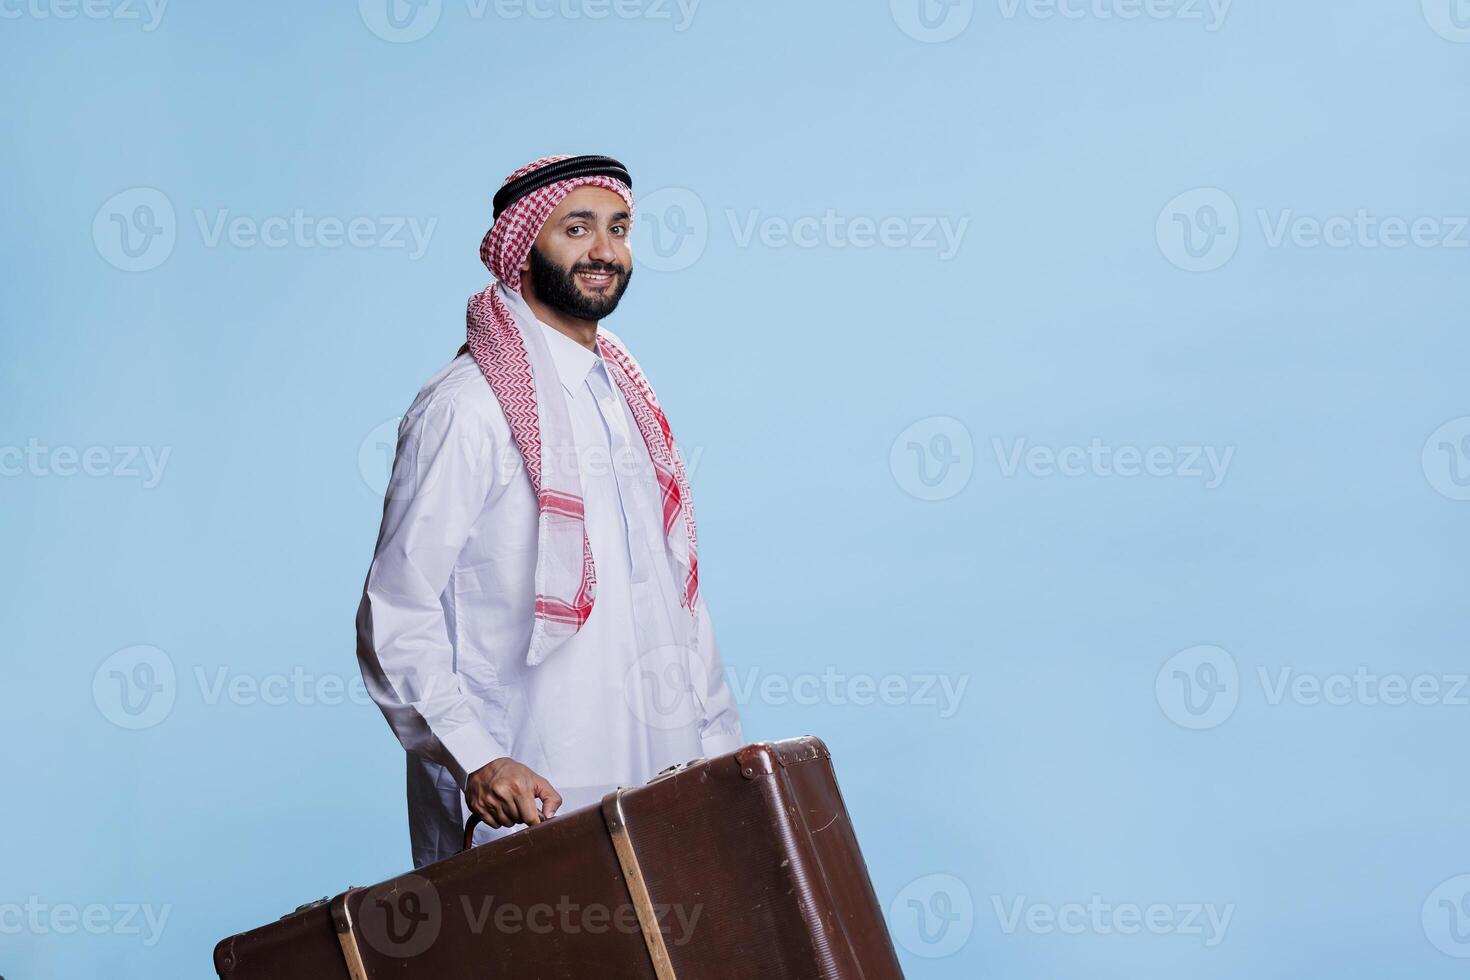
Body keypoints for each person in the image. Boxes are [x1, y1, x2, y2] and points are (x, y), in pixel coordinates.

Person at [355, 153, 744, 869]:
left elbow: (677, 603)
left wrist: (722, 758)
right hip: (528, 792)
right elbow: (396, 612)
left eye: (619, 229)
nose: (604, 250)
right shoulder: (466, 409)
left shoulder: (630, 402)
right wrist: (478, 760)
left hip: (659, 779)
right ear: (523, 248)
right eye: (577, 228)